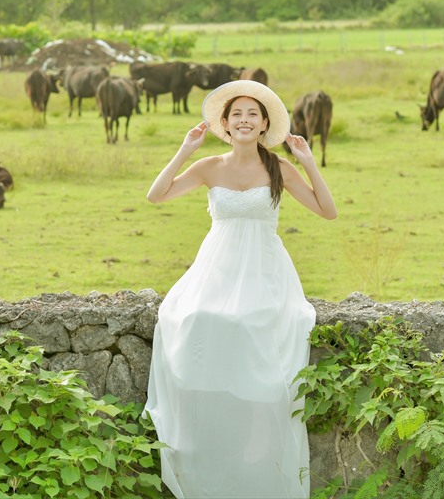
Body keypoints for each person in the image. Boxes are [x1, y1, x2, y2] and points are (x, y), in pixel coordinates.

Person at [144, 80, 337, 499]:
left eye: (253, 114)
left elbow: (328, 211)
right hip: (217, 267)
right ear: (226, 125)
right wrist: (184, 150)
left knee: (260, 334)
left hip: (265, 269)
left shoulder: (277, 168)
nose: (245, 120)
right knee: (196, 319)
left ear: (265, 124)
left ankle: (257, 448)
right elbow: (156, 195)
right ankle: (205, 440)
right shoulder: (210, 166)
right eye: (237, 115)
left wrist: (306, 161)